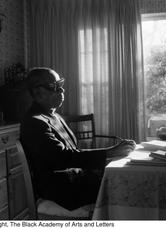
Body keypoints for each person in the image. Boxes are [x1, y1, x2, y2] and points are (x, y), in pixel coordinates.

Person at [20, 67, 136, 210]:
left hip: (75, 179)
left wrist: (106, 161)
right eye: (54, 87)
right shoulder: (34, 122)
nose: (61, 91)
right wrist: (110, 152)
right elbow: (62, 158)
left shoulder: (54, 116)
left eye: (60, 85)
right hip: (62, 190)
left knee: (126, 177)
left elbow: (73, 154)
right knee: (127, 187)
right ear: (37, 93)